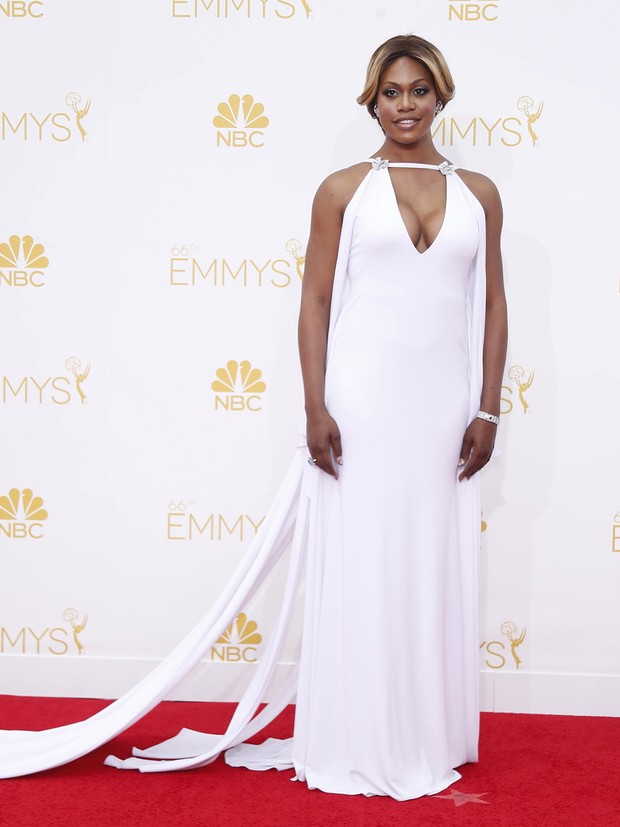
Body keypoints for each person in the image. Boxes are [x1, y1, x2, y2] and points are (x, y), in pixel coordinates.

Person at [0, 35, 507, 801]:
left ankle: (424, 730)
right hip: (361, 405)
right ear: (371, 100)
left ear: (442, 96)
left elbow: (495, 304)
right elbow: (313, 301)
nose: (405, 105)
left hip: (441, 413)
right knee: (365, 563)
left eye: (419, 91)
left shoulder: (481, 193)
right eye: (391, 93)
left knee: (427, 561)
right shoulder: (341, 189)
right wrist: (314, 405)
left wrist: (488, 407)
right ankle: (360, 733)